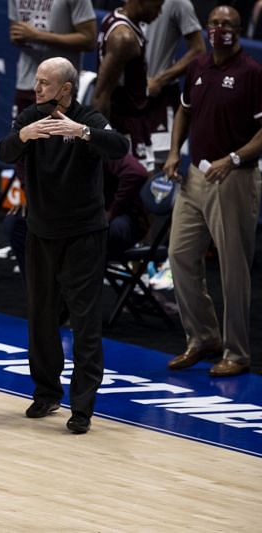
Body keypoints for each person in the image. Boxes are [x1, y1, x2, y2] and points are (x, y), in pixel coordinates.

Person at [0, 57, 129, 434]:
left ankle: (83, 407)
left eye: (43, 83)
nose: (36, 88)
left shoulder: (88, 117)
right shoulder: (30, 119)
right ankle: (46, 392)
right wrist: (23, 136)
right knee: (40, 316)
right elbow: (3, 152)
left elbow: (119, 147)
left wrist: (83, 132)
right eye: (36, 81)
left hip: (84, 234)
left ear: (66, 89)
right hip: (40, 232)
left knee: (85, 322)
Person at [163, 5, 262, 377]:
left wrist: (233, 158)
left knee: (233, 267)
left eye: (227, 24)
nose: (219, 29)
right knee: (179, 255)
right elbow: (184, 111)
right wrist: (175, 152)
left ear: (239, 31)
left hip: (233, 177)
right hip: (194, 176)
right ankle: (203, 336)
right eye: (215, 23)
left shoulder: (252, 74)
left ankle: (237, 352)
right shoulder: (198, 67)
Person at [7, 0, 96, 211]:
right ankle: (28, 215)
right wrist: (19, 37)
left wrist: (38, 36)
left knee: (58, 155)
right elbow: (16, 29)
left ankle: (58, 215)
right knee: (22, 149)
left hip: (59, 89)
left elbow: (89, 38)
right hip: (26, 82)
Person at [5, 152, 150, 280]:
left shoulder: (90, 134)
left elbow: (136, 173)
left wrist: (111, 212)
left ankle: (70, 297)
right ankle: (41, 295)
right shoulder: (37, 138)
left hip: (116, 218)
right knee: (17, 223)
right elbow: (22, 160)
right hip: (69, 215)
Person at [93, 0, 165, 172]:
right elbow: (101, 94)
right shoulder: (124, 38)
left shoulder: (115, 18)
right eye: (157, 6)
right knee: (133, 185)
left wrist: (142, 86)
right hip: (124, 127)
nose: (159, 12)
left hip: (133, 120)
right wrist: (101, 142)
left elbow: (119, 79)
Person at [144, 0, 205, 167]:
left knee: (155, 173)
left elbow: (198, 49)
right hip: (127, 98)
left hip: (158, 99)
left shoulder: (179, 3)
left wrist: (160, 80)